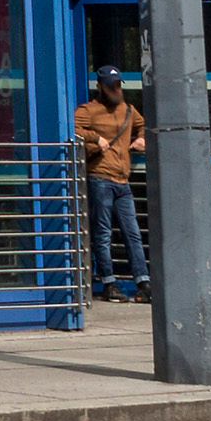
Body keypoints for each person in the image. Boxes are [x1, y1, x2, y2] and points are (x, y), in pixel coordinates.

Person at [74, 68, 150, 302]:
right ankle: (109, 283)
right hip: (100, 178)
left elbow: (143, 125)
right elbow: (73, 128)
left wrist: (141, 138)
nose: (116, 90)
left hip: (122, 180)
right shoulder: (89, 110)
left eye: (118, 85)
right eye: (111, 86)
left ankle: (143, 282)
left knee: (133, 233)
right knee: (103, 233)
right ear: (100, 87)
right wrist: (96, 138)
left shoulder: (128, 110)